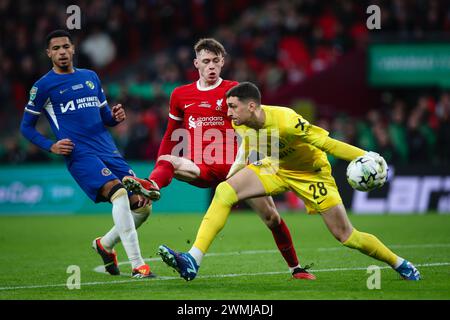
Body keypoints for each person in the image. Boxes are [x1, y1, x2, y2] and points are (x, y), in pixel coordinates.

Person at [157, 82, 421, 281]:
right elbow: (247, 148)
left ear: (252, 106)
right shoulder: (240, 122)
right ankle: (193, 259)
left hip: (311, 174)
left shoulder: (287, 120)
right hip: (275, 166)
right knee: (225, 190)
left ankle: (399, 263)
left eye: (233, 107)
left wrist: (365, 155)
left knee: (346, 236)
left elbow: (326, 143)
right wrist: (234, 173)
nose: (228, 112)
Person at [122, 38, 315, 280]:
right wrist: (158, 167)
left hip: (237, 169)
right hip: (201, 165)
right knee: (171, 160)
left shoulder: (235, 91)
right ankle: (151, 185)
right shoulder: (181, 95)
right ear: (196, 64)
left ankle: (295, 269)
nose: (211, 66)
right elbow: (171, 134)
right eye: (206, 61)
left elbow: (258, 125)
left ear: (222, 62)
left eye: (215, 61)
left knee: (272, 217)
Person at [19, 30, 154, 278]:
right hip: (79, 153)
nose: (61, 52)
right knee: (120, 192)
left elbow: (105, 118)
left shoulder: (91, 77)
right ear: (49, 53)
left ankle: (105, 244)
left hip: (107, 149)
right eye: (56, 48)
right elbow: (25, 127)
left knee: (143, 206)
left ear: (73, 49)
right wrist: (51, 145)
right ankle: (138, 266)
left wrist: (115, 118)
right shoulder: (43, 86)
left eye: (65, 47)